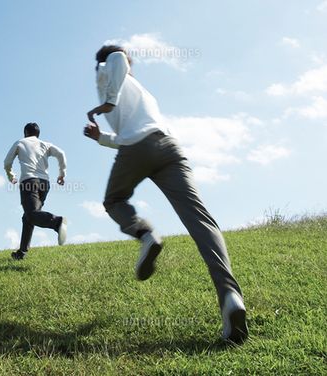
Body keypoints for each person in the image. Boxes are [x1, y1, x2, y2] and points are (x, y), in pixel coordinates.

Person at [83, 45, 248, 343]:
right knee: (201, 220)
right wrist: (101, 138)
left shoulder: (108, 74)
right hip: (169, 148)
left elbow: (117, 57)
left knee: (114, 200)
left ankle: (145, 235)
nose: (128, 64)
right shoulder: (135, 87)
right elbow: (128, 128)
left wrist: (106, 103)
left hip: (138, 149)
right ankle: (230, 295)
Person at [4, 122, 68, 260]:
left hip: (29, 182)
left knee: (32, 214)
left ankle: (57, 222)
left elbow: (7, 162)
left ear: (25, 133)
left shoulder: (20, 142)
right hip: (45, 184)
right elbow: (61, 153)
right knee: (28, 217)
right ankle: (21, 253)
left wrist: (11, 176)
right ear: (38, 134)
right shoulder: (45, 144)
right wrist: (62, 173)